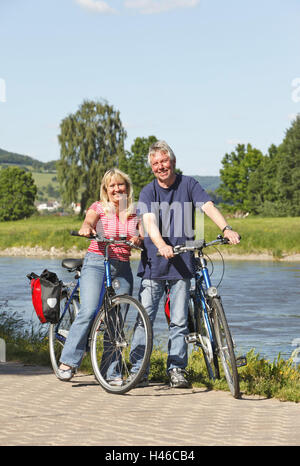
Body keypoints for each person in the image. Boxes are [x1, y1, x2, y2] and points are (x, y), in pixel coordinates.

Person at [130, 140, 240, 388]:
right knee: (144, 319)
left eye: (164, 161)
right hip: (154, 265)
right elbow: (149, 222)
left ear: (173, 161)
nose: (160, 166)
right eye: (155, 163)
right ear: (151, 167)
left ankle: (177, 369)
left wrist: (226, 227)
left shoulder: (188, 184)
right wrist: (160, 245)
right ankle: (139, 370)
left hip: (182, 264)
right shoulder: (149, 191)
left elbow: (208, 206)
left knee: (179, 320)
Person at [58, 168, 142, 384]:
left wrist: (138, 239)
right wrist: (86, 228)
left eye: (120, 184)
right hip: (97, 262)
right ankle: (68, 362)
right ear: (106, 189)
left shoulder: (135, 211)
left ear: (127, 187)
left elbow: (140, 234)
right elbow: (88, 221)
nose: (116, 189)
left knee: (116, 320)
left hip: (123, 266)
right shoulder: (99, 207)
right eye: (111, 185)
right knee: (88, 311)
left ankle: (111, 371)